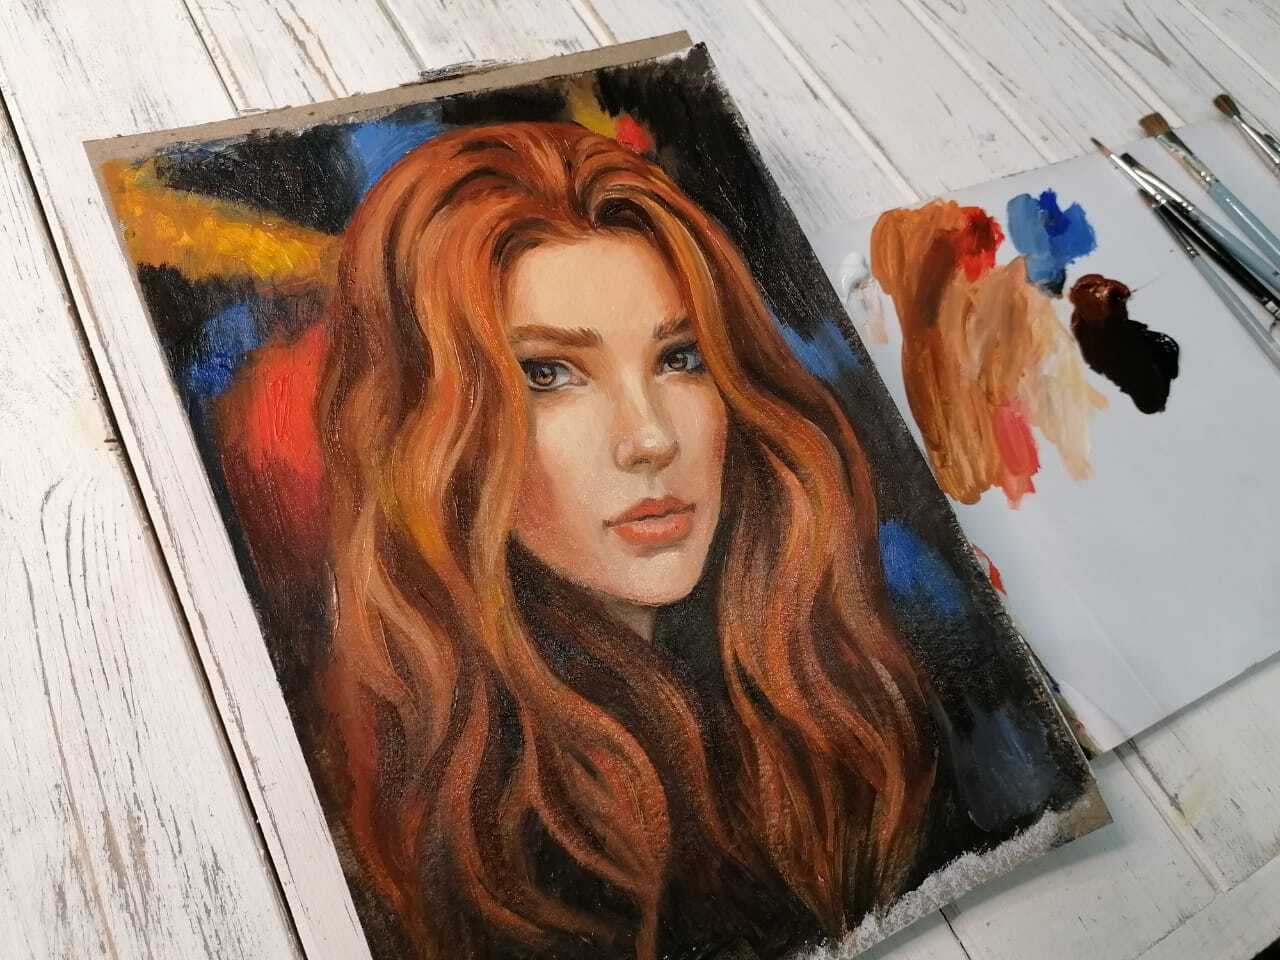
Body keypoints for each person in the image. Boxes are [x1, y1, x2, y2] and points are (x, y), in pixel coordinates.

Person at [314, 120, 937, 960]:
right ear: (429, 434)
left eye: (681, 357)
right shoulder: (457, 814)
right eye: (548, 374)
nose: (650, 439)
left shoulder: (819, 693)